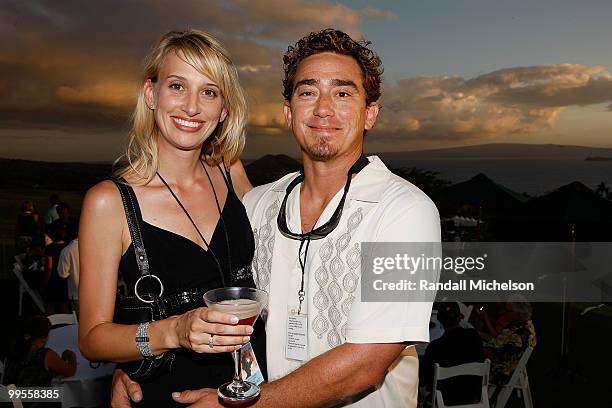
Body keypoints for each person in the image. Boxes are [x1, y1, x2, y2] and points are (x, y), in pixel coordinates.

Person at [114, 28, 440, 407]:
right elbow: (202, 295)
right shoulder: (259, 206)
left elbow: (366, 365)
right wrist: (143, 368)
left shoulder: (409, 212)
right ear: (288, 112)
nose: (323, 109)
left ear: (370, 114)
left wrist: (242, 404)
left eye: (343, 93)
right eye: (307, 92)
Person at [78, 29, 265, 406]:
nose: (192, 107)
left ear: (224, 109)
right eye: (177, 86)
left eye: (209, 92)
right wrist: (174, 331)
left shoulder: (231, 172)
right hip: (170, 395)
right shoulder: (109, 202)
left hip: (253, 391)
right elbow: (92, 338)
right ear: (151, 94)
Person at [420, 302, 485, 407]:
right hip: (472, 394)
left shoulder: (435, 347)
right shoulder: (474, 336)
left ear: (440, 320)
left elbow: (423, 379)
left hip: (445, 398)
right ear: (460, 318)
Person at [477, 295, 536, 386]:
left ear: (518, 313)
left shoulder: (519, 334)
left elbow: (498, 353)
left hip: (500, 374)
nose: (505, 313)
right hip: (509, 368)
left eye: (508, 311)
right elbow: (498, 340)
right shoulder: (526, 326)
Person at [3, 315, 76, 387]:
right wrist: (72, 356)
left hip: (10, 396)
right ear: (44, 338)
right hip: (37, 397)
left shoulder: (14, 347)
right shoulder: (46, 355)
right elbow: (70, 371)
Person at [58, 221, 80, 312]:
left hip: (76, 293)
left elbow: (63, 274)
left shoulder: (66, 251)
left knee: (79, 323)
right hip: (95, 292)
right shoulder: (93, 246)